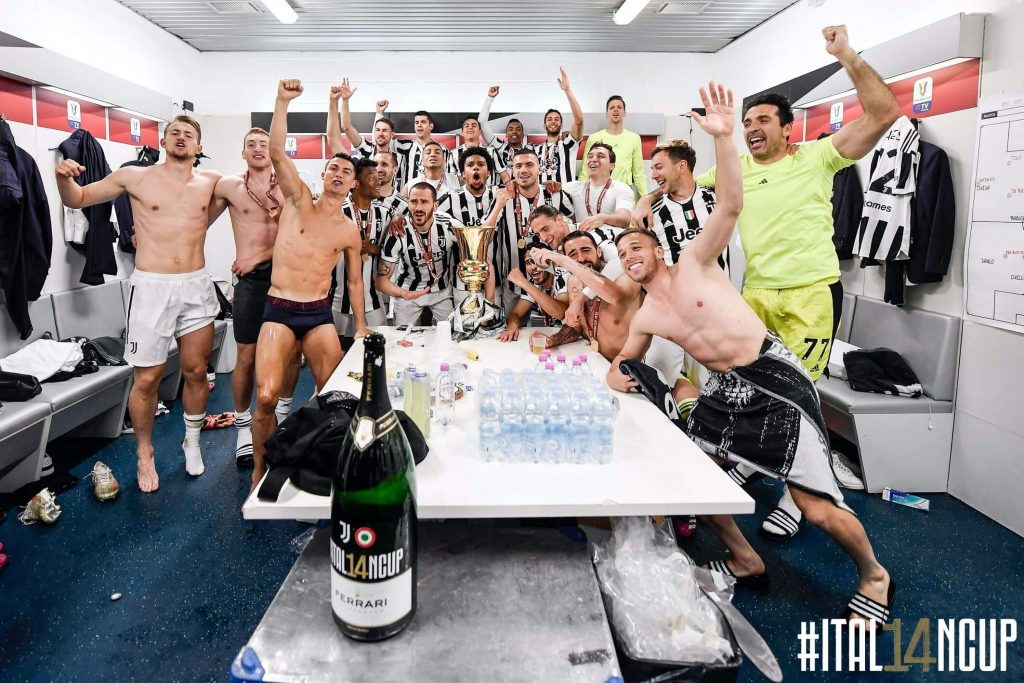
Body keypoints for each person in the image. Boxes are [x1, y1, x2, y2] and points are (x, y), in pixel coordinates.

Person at [607, 82, 893, 630]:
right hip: (724, 390)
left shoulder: (696, 261)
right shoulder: (646, 317)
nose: (629, 256)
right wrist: (638, 384)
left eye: (636, 246)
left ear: (658, 250)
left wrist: (723, 137)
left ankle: (874, 575)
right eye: (622, 254)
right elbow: (620, 369)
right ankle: (745, 557)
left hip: (772, 376)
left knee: (815, 506)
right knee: (695, 475)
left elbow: (731, 203)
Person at [637, 25, 901, 540]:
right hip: (754, 295)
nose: (752, 128)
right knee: (745, 387)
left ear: (787, 128)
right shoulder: (733, 171)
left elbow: (884, 113)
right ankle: (755, 461)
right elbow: (681, 184)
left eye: (762, 120)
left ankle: (795, 497)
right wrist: (646, 200)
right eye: (747, 122)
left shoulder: (818, 156)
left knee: (799, 397)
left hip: (810, 294)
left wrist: (846, 55)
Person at [56, 115, 222, 493]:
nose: (181, 138)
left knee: (197, 371)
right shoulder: (134, 177)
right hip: (151, 287)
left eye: (189, 134)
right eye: (174, 132)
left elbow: (255, 190)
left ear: (199, 147)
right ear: (163, 141)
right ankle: (145, 453)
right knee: (146, 379)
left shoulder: (211, 181)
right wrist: (63, 179)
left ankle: (192, 441)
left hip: (195, 285)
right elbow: (78, 198)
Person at [252, 79, 370, 491]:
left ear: (353, 185)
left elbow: (354, 281)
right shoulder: (298, 199)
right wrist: (281, 101)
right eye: (333, 168)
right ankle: (261, 468)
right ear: (323, 174)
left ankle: (316, 463)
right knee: (266, 396)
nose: (339, 174)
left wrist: (361, 325)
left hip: (318, 313)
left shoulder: (349, 230)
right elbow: (276, 152)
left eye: (346, 172)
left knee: (333, 395)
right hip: (280, 308)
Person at [209, 128, 300, 466]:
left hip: (287, 276)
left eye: (264, 144)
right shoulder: (229, 186)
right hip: (250, 281)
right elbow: (196, 222)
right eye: (252, 145)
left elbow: (298, 231)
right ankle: (243, 428)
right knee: (245, 356)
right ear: (243, 152)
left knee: (292, 353)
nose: (259, 149)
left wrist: (258, 255)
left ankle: (284, 419)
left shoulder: (289, 184)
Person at [530, 231, 682, 385]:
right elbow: (576, 328)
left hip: (636, 369)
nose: (581, 258)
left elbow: (615, 296)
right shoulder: (573, 282)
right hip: (598, 366)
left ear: (599, 251)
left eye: (585, 250)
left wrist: (564, 261)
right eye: (573, 254)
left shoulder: (627, 278)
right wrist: (553, 339)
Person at [484, 149, 575, 315]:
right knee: (513, 325)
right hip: (514, 284)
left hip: (553, 283)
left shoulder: (556, 194)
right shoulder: (503, 197)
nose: (523, 170)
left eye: (529, 164)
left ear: (539, 168)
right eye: (518, 166)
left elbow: (572, 230)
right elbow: (484, 239)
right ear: (512, 171)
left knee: (558, 323)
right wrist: (498, 205)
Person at [376, 183, 457, 326]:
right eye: (414, 201)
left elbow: (473, 244)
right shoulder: (398, 231)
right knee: (402, 336)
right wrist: (403, 293)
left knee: (452, 333)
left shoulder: (448, 225)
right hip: (408, 291)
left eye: (424, 202)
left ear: (435, 205)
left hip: (442, 292)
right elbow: (381, 281)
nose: (418, 208)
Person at [335, 157, 391, 345]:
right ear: (356, 183)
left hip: (373, 301)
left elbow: (393, 253)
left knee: (376, 349)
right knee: (338, 354)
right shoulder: (338, 212)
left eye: (379, 177)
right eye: (372, 177)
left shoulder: (385, 213)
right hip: (337, 302)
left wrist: (374, 248)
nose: (378, 181)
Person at [327, 79, 409, 186]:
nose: (380, 133)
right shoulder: (366, 150)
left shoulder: (399, 156)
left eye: (384, 130)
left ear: (392, 134)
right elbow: (346, 128)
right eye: (377, 130)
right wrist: (344, 100)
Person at [579, 95, 648, 195]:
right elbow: (585, 171)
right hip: (599, 193)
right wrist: (579, 195)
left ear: (624, 113)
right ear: (607, 114)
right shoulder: (594, 138)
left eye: (619, 107)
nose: (616, 110)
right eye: (612, 108)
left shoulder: (634, 138)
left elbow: (638, 174)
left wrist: (647, 198)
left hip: (624, 193)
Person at [560, 143, 634, 231]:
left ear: (612, 166)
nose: (593, 159)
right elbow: (549, 190)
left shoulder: (622, 188)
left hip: (611, 237)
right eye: (590, 156)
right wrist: (550, 185)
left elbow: (625, 219)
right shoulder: (573, 187)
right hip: (582, 237)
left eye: (600, 156)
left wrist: (603, 218)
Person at [498, 249, 566, 342]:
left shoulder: (561, 276)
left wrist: (523, 282)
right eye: (528, 263)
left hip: (574, 339)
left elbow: (561, 313)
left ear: (549, 262)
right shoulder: (534, 285)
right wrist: (512, 326)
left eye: (537, 261)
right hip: (553, 339)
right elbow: (515, 314)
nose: (533, 267)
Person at [536, 68, 585, 186]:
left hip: (565, 195)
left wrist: (567, 90)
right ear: (544, 125)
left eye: (557, 119)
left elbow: (579, 121)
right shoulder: (536, 150)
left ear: (561, 125)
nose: (553, 121)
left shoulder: (568, 144)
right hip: (542, 196)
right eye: (549, 119)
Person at [445, 115, 510, 188]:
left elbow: (504, 175)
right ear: (462, 132)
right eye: (467, 126)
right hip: (463, 194)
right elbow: (451, 181)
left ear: (479, 131)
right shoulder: (453, 154)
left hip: (490, 193)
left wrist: (509, 188)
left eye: (474, 125)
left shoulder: (491, 151)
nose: (470, 127)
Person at [478, 86, 532, 170]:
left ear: (523, 134)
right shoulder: (499, 146)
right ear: (506, 134)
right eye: (510, 129)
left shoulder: (530, 150)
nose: (514, 132)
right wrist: (490, 98)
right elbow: (481, 123)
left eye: (518, 129)